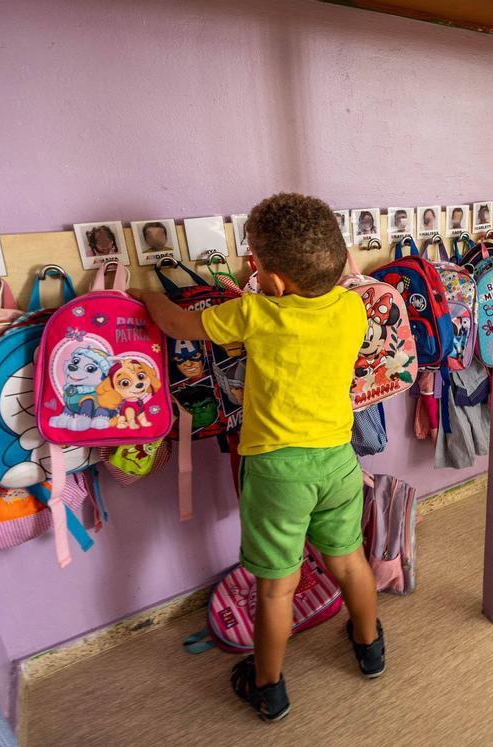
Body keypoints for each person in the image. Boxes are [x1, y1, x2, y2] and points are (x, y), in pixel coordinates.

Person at [134, 193, 384, 722]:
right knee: (347, 559)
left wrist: (145, 298)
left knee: (277, 587)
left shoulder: (255, 312)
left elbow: (180, 325)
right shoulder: (353, 306)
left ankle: (267, 685)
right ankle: (369, 647)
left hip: (278, 471)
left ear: (272, 282)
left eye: (257, 262)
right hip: (339, 459)